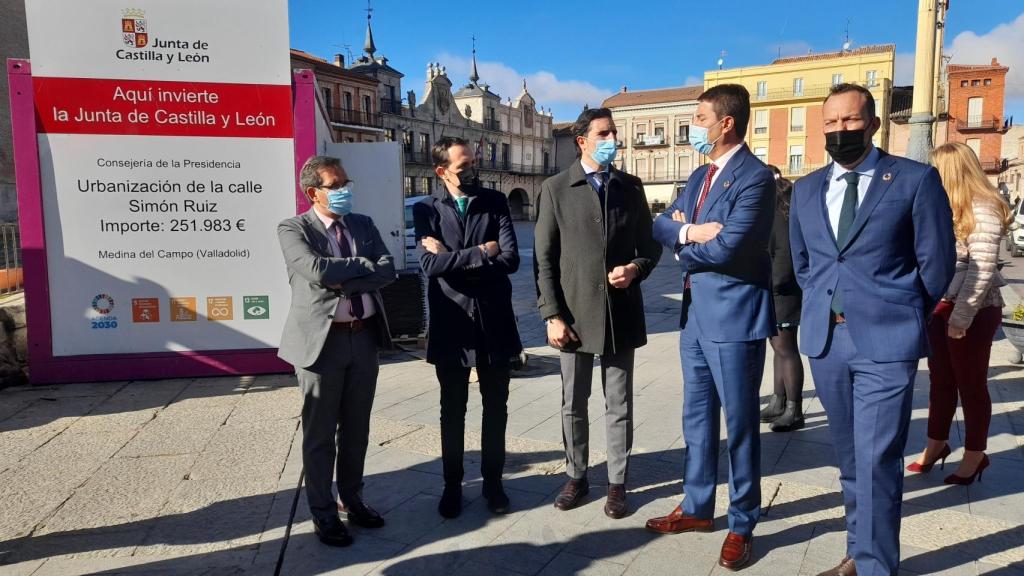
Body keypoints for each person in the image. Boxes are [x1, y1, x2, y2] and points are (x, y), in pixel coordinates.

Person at [789, 84, 956, 576]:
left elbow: (937, 264)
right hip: (826, 342)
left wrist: (901, 311)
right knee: (849, 460)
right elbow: (804, 264)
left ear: (874, 123)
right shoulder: (805, 189)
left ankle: (876, 566)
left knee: (878, 460)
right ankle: (859, 554)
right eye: (831, 123)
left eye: (851, 120)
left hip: (887, 340)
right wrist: (825, 307)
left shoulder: (913, 180)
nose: (840, 130)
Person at [644, 84, 775, 571]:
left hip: (735, 318)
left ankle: (742, 523)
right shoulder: (700, 174)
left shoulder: (756, 178)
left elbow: (732, 248)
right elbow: (659, 223)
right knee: (696, 420)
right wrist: (688, 233)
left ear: (727, 124)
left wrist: (683, 244)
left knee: (740, 426)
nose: (693, 127)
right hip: (695, 317)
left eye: (699, 118)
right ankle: (698, 507)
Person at [535, 107, 662, 519]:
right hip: (572, 316)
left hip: (621, 313)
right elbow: (545, 259)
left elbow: (650, 246)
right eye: (604, 134)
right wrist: (552, 314)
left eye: (614, 134)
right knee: (573, 401)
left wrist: (635, 269)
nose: (612, 141)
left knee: (619, 403)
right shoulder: (555, 188)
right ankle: (576, 475)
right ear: (582, 141)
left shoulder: (631, 186)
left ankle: (617, 483)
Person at [277, 155, 398, 547]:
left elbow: (388, 270)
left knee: (357, 428)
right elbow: (316, 270)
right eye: (336, 184)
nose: (346, 190)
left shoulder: (362, 223)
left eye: (347, 182)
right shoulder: (293, 228)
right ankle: (323, 513)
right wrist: (360, 269)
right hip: (320, 344)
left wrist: (347, 275)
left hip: (363, 337)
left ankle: (352, 499)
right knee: (319, 433)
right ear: (313, 192)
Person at [413, 136, 522, 518]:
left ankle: (494, 484)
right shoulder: (426, 209)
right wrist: (480, 253)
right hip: (452, 324)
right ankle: (452, 486)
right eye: (464, 167)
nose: (473, 171)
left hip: (495, 321)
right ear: (442, 172)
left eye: (474, 163)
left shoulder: (494, 202)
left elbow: (510, 260)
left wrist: (452, 259)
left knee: (496, 408)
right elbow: (429, 267)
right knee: (451, 409)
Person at [907, 142, 1011, 484]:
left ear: (950, 172)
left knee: (971, 386)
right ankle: (936, 444)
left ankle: (975, 455)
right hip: (942, 307)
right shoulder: (947, 206)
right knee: (941, 382)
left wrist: (961, 318)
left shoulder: (983, 208)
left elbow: (980, 270)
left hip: (972, 312)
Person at [761, 165, 805, 432]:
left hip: (781, 293)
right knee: (779, 348)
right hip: (779, 292)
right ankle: (779, 401)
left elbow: (784, 255)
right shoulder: (780, 207)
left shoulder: (777, 212)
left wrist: (772, 286)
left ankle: (794, 409)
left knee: (786, 349)